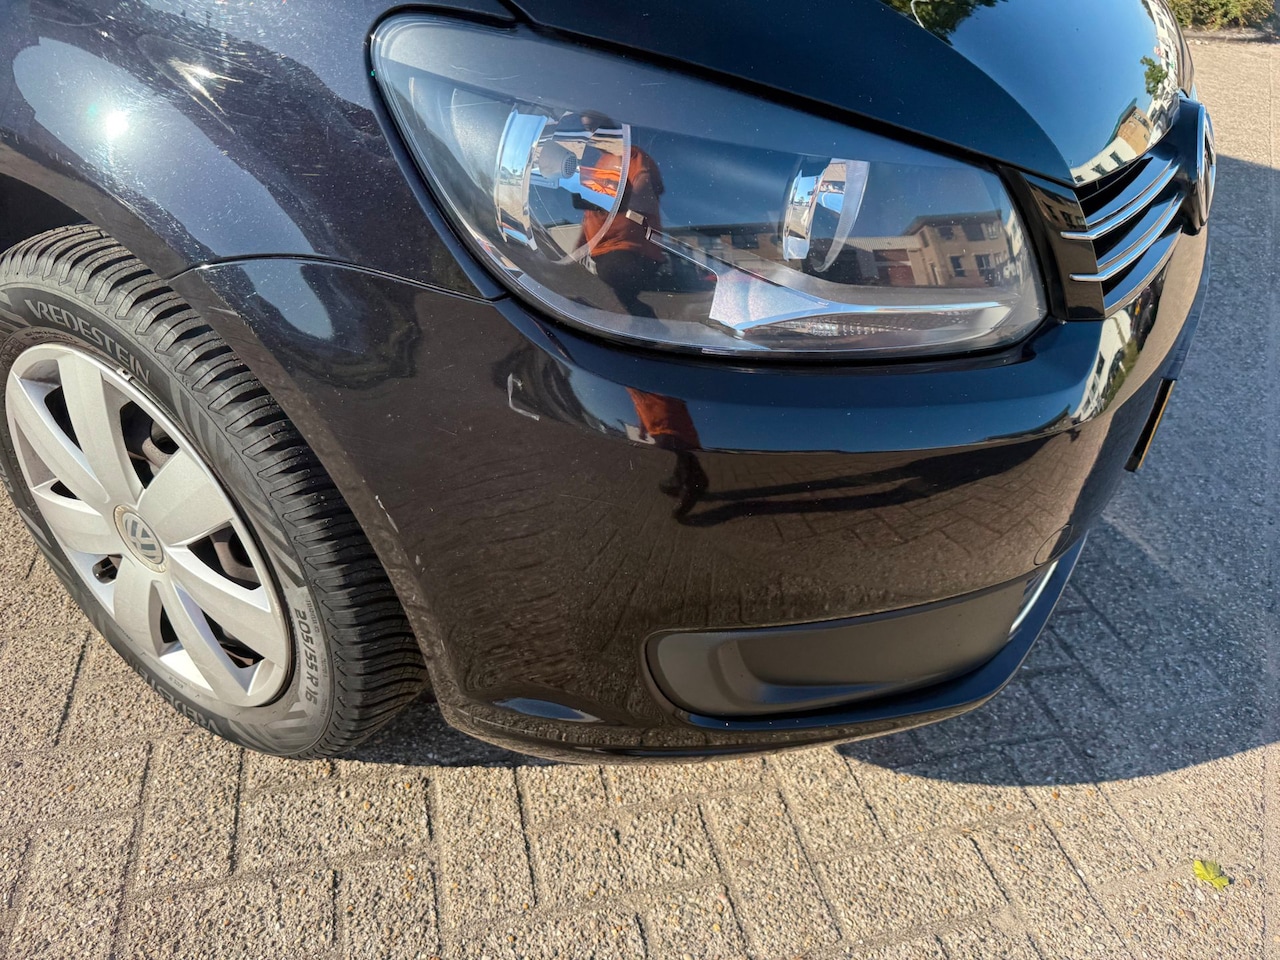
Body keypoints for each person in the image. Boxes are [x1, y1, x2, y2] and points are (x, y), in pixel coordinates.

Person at [577, 112, 666, 318]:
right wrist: (580, 246)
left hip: (628, 249)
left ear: (609, 128)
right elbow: (590, 215)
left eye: (592, 127)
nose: (588, 134)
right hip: (601, 250)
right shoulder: (600, 164)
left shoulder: (631, 156)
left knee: (607, 306)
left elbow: (644, 191)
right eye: (585, 129)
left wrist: (612, 203)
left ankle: (645, 324)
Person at [626, 386, 708, 520]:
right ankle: (685, 480)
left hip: (670, 420)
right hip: (656, 423)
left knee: (681, 449)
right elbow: (638, 401)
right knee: (681, 452)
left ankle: (690, 483)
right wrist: (643, 426)